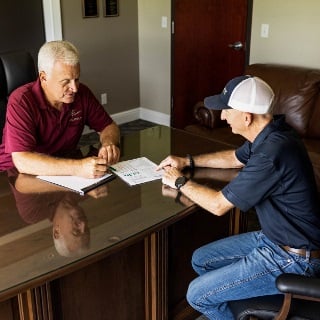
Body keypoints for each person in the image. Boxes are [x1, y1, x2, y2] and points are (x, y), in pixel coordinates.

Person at [157, 75, 320, 319]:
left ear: (247, 116)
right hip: (275, 239)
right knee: (201, 260)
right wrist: (187, 161)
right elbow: (234, 158)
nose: (222, 116)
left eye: (226, 110)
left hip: (294, 258)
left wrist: (179, 181)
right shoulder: (272, 131)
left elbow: (218, 205)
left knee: (197, 295)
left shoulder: (271, 153)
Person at [0, 40, 120, 178]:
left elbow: (108, 126)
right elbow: (22, 161)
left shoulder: (82, 93)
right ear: (44, 77)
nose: (74, 88)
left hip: (63, 170)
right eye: (66, 81)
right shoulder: (21, 101)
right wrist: (78, 167)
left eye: (77, 79)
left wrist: (108, 143)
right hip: (15, 175)